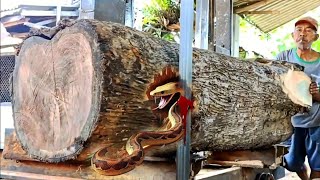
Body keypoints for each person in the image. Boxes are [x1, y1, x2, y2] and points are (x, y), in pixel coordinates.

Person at [276, 16, 320, 180]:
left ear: (315, 37)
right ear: (293, 35)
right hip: (291, 122)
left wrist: (316, 95)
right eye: (299, 30)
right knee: (292, 163)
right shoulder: (283, 57)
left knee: (318, 165)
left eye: (309, 30)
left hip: (317, 122)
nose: (303, 34)